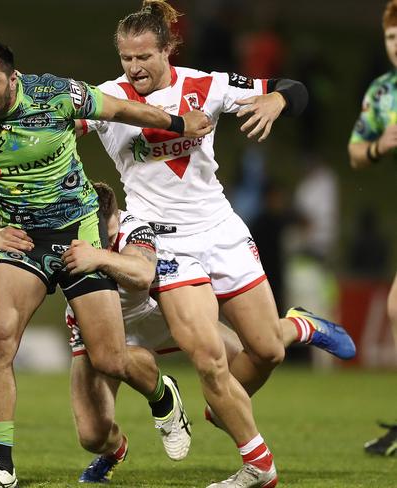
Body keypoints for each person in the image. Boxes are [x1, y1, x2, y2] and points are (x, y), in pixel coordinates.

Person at [76, 2, 352, 486]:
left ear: (168, 48)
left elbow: (294, 89)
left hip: (221, 230)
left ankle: (294, 330)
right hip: (160, 240)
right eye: (126, 58)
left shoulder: (207, 85)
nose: (134, 68)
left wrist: (279, 100)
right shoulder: (108, 99)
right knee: (208, 357)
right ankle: (258, 467)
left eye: (144, 56)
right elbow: (55, 125)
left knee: (266, 351)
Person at [0, 37, 213, 488]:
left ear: (12, 78)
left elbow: (120, 110)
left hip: (79, 231)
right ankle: (1, 467)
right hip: (19, 238)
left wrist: (178, 122)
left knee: (111, 358)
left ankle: (162, 392)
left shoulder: (56, 94)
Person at [0, 181, 357, 483]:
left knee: (262, 353)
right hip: (97, 333)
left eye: (103, 229)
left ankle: (300, 325)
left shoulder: (134, 227)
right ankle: (116, 449)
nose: (98, 236)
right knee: (92, 435)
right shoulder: (60, 226)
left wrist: (99, 256)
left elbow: (142, 272)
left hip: (156, 318)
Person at [348, 0, 397, 458]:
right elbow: (355, 152)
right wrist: (380, 146)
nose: (395, 46)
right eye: (390, 38)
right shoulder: (384, 92)